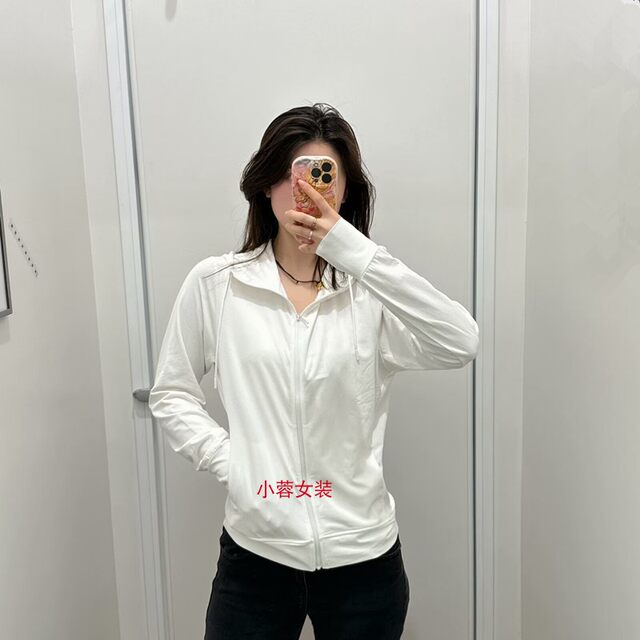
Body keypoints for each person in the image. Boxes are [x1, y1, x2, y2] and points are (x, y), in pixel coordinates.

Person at [148, 102, 480, 639]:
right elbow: (172, 393)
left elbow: (460, 341)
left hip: (363, 560)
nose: (304, 189)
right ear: (266, 184)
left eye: (322, 174)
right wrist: (235, 462)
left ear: (344, 190)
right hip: (256, 557)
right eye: (291, 173)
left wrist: (351, 250)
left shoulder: (370, 293)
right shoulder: (218, 285)